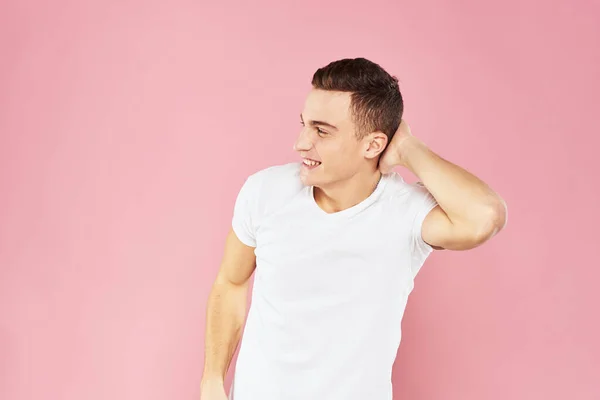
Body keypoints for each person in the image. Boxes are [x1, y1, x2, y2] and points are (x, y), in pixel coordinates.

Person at [200, 57, 507, 400]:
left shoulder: (405, 212)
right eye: (304, 124)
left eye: (321, 131)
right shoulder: (264, 192)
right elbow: (231, 282)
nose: (301, 143)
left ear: (373, 145)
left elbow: (485, 216)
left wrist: (407, 147)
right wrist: (212, 381)